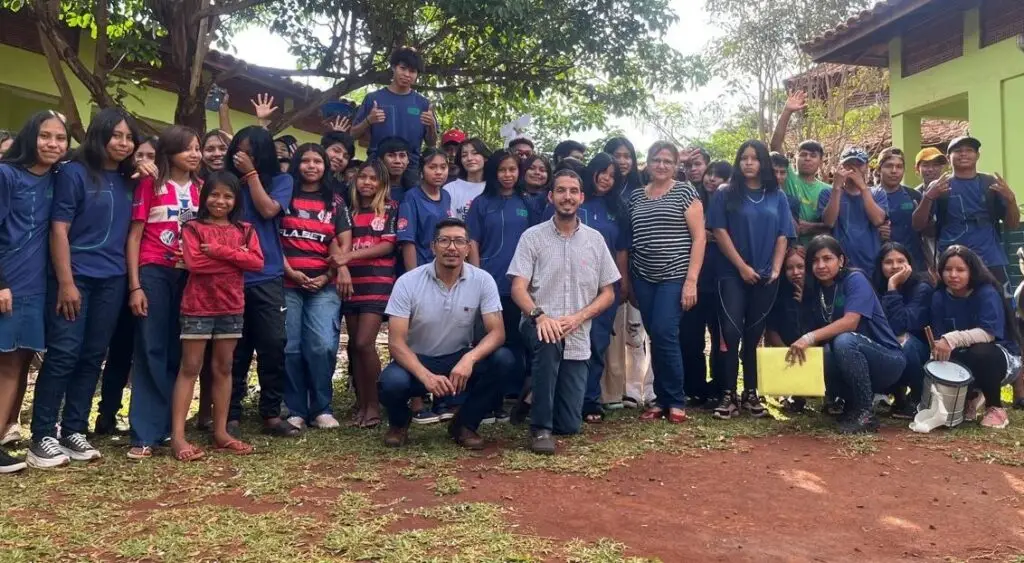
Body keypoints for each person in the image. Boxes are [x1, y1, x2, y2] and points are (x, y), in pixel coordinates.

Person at [27, 108, 139, 468]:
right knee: (63, 353)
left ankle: (74, 428)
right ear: (100, 135)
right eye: (116, 135)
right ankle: (43, 434)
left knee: (93, 356)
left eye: (128, 137)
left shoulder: (128, 180)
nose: (123, 143)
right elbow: (58, 229)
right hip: (75, 278)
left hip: (113, 279)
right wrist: (66, 283)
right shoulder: (73, 173)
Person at [509, 169, 619, 453]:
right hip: (537, 323)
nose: (567, 197)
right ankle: (540, 429)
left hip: (578, 332)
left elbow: (608, 292)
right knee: (550, 339)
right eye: (561, 191)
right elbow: (518, 288)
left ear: (581, 197)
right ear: (551, 196)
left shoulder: (595, 240)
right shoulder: (532, 237)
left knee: (570, 425)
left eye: (573, 191)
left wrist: (579, 317)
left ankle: (532, 395)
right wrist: (540, 317)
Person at [380, 217, 514, 448]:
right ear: (433, 247)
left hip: (458, 358)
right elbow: (396, 343)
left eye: (459, 241)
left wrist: (469, 359)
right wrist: (425, 376)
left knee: (505, 360)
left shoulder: (482, 281)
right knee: (391, 382)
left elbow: (497, 333)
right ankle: (399, 424)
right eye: (444, 241)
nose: (452, 247)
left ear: (468, 248)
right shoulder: (408, 282)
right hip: (416, 360)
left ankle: (465, 424)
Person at [171, 172, 264, 461]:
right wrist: (236, 257)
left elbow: (257, 262)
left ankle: (221, 432)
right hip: (198, 305)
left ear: (236, 200)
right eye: (214, 194)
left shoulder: (246, 229)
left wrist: (221, 251)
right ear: (204, 196)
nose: (220, 201)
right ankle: (177, 437)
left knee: (223, 368)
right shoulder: (193, 227)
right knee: (190, 367)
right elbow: (196, 264)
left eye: (227, 196)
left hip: (231, 306)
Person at [125, 126, 202, 460]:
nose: (196, 154)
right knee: (150, 349)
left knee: (177, 353)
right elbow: (134, 237)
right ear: (170, 152)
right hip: (154, 272)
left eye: (198, 148)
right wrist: (136, 285)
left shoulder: (203, 188)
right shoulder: (150, 184)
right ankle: (144, 433)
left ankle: (172, 428)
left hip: (190, 277)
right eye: (188, 149)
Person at [0, 111, 69, 474]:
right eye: (46, 136)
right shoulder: (6, 175)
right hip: (8, 285)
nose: (53, 144)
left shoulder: (59, 178)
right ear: (31, 136)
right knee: (7, 366)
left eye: (60, 138)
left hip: (35, 288)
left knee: (17, 364)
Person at [708, 140, 795, 419]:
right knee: (731, 334)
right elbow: (719, 232)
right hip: (731, 274)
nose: (748, 163)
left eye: (754, 158)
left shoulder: (776, 195)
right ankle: (728, 393)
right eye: (743, 158)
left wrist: (777, 268)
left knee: (754, 335)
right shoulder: (725, 193)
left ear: (763, 164)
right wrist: (742, 267)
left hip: (767, 276)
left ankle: (751, 394)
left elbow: (783, 234)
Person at [542, 154, 629, 423]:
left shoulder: (616, 207)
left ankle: (589, 399)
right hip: (564, 284)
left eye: (612, 175)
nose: (606, 178)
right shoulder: (570, 201)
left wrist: (622, 282)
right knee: (561, 343)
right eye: (602, 172)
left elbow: (622, 249)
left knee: (597, 343)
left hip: (603, 286)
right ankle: (557, 401)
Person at [787, 235, 906, 434]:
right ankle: (850, 405)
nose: (821, 265)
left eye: (827, 258)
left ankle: (865, 413)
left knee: (844, 341)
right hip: (850, 358)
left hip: (888, 360)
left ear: (841, 260)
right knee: (825, 352)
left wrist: (808, 337)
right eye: (815, 261)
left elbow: (851, 322)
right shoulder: (814, 291)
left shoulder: (855, 279)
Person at [224, 126, 297, 438]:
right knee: (234, 349)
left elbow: (268, 210)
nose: (243, 157)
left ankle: (270, 413)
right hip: (230, 273)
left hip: (266, 274)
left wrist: (251, 175)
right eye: (239, 151)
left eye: (251, 152)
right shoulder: (225, 183)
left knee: (273, 344)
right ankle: (230, 415)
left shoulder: (282, 181)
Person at [627, 141, 706, 423]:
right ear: (647, 163)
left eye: (668, 161)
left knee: (664, 332)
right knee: (654, 336)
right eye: (656, 160)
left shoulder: (685, 191)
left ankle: (675, 399)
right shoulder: (636, 196)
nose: (661, 165)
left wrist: (691, 281)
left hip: (674, 276)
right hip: (643, 277)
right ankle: (660, 398)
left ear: (675, 166)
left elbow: (699, 238)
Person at [280, 144, 352, 430]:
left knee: (322, 345)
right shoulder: (285, 197)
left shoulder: (335, 202)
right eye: (306, 161)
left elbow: (344, 244)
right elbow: (273, 239)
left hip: (325, 284)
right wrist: (291, 271)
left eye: (317, 161)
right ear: (297, 164)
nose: (312, 166)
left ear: (325, 166)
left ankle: (322, 407)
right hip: (287, 282)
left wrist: (326, 275)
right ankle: (296, 408)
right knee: (291, 347)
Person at [95, 136, 159, 435]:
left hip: (150, 278)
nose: (145, 160)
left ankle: (147, 417)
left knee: (148, 350)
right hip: (116, 276)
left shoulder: (162, 190)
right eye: (140, 154)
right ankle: (106, 413)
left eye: (151, 155)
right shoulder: (118, 184)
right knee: (117, 349)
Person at [468, 150, 537, 412]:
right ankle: (489, 402)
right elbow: (473, 241)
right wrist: (476, 276)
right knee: (491, 343)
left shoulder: (527, 202)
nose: (507, 175)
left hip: (521, 287)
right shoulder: (481, 203)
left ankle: (516, 399)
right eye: (502, 170)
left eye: (512, 170)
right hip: (490, 283)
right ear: (493, 172)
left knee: (519, 343)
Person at [912, 136, 1019, 296]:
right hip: (953, 260)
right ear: (949, 158)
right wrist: (929, 197)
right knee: (955, 306)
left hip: (991, 257)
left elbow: (1012, 224)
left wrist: (1011, 201)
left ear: (977, 155)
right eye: (958, 151)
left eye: (969, 150)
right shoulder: (940, 185)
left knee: (1001, 304)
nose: (964, 154)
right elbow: (918, 225)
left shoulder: (989, 183)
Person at [931, 245, 1022, 428]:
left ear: (972, 271)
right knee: (943, 356)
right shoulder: (939, 297)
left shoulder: (986, 293)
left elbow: (988, 333)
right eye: (948, 269)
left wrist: (951, 339)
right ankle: (968, 400)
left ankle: (995, 408)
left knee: (981, 352)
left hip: (1000, 359)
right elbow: (938, 337)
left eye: (960, 270)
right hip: (962, 357)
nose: (953, 275)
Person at [342, 159, 398, 428]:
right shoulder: (346, 211)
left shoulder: (390, 209)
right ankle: (363, 405)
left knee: (365, 343)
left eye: (373, 178)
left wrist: (347, 256)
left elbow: (387, 246)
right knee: (354, 346)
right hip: (350, 282)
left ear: (382, 184)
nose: (366, 182)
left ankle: (375, 405)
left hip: (377, 282)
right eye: (362, 177)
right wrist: (343, 262)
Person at [601, 136, 650, 408]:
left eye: (626, 155)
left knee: (636, 331)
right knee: (613, 334)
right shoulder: (604, 194)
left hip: (640, 267)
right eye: (616, 155)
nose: (622, 161)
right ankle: (613, 388)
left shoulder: (640, 191)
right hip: (610, 271)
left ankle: (637, 388)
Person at [681, 159, 731, 408]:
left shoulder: (731, 203)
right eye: (709, 174)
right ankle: (695, 388)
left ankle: (721, 388)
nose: (711, 179)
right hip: (695, 282)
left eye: (718, 176)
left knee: (721, 338)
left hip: (722, 281)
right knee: (692, 338)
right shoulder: (692, 199)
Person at [351, 47, 437, 176]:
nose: (407, 74)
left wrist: (432, 125)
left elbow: (431, 143)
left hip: (410, 168)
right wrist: (368, 120)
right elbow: (352, 134)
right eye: (402, 68)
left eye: (412, 71)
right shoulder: (374, 99)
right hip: (377, 165)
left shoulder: (423, 104)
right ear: (393, 67)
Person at [872, 242, 932, 419]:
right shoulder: (873, 287)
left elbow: (902, 325)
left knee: (906, 342)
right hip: (887, 344)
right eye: (888, 262)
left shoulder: (922, 288)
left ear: (910, 263)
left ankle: (917, 398)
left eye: (901, 261)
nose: (895, 266)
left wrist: (893, 288)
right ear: (880, 265)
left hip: (920, 350)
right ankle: (895, 397)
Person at [817, 147, 889, 278]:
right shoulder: (828, 193)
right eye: (849, 165)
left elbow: (878, 220)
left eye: (858, 164)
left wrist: (863, 187)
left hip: (871, 264)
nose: (853, 169)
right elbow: (829, 222)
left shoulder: (877, 193)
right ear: (841, 167)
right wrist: (837, 187)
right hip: (840, 264)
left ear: (866, 167)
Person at [770, 91, 831, 244]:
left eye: (813, 155)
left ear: (821, 161)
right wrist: (787, 111)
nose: (807, 158)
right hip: (789, 250)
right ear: (795, 158)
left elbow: (832, 224)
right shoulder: (788, 176)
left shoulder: (828, 190)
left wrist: (810, 227)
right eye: (803, 154)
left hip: (816, 251)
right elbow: (775, 145)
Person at [398, 148, 452, 271]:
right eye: (432, 167)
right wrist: (413, 276)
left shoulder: (446, 196)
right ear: (421, 170)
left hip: (444, 268)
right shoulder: (411, 197)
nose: (438, 172)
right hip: (421, 268)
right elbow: (407, 241)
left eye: (443, 167)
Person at [876, 148, 926, 270]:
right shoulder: (869, 196)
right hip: (881, 264)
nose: (894, 171)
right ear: (879, 169)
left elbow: (926, 230)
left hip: (913, 263)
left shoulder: (914, 196)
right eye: (889, 166)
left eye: (899, 167)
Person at [765, 245, 806, 347]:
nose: (795, 272)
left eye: (800, 267)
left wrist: (805, 303)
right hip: (784, 352)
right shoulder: (778, 293)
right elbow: (771, 330)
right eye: (789, 268)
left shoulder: (818, 290)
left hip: (814, 350)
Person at [444, 138, 490, 220]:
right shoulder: (450, 189)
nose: (469, 158)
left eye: (475, 153)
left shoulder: (494, 188)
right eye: (464, 155)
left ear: (485, 157)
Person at [321, 131, 355, 204]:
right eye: (336, 151)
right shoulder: (300, 176)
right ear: (322, 148)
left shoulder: (343, 191)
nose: (340, 158)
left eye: (346, 157)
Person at [378, 136, 414, 203]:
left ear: (408, 160)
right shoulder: (372, 189)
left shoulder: (415, 192)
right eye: (391, 155)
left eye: (402, 155)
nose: (397, 161)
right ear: (381, 160)